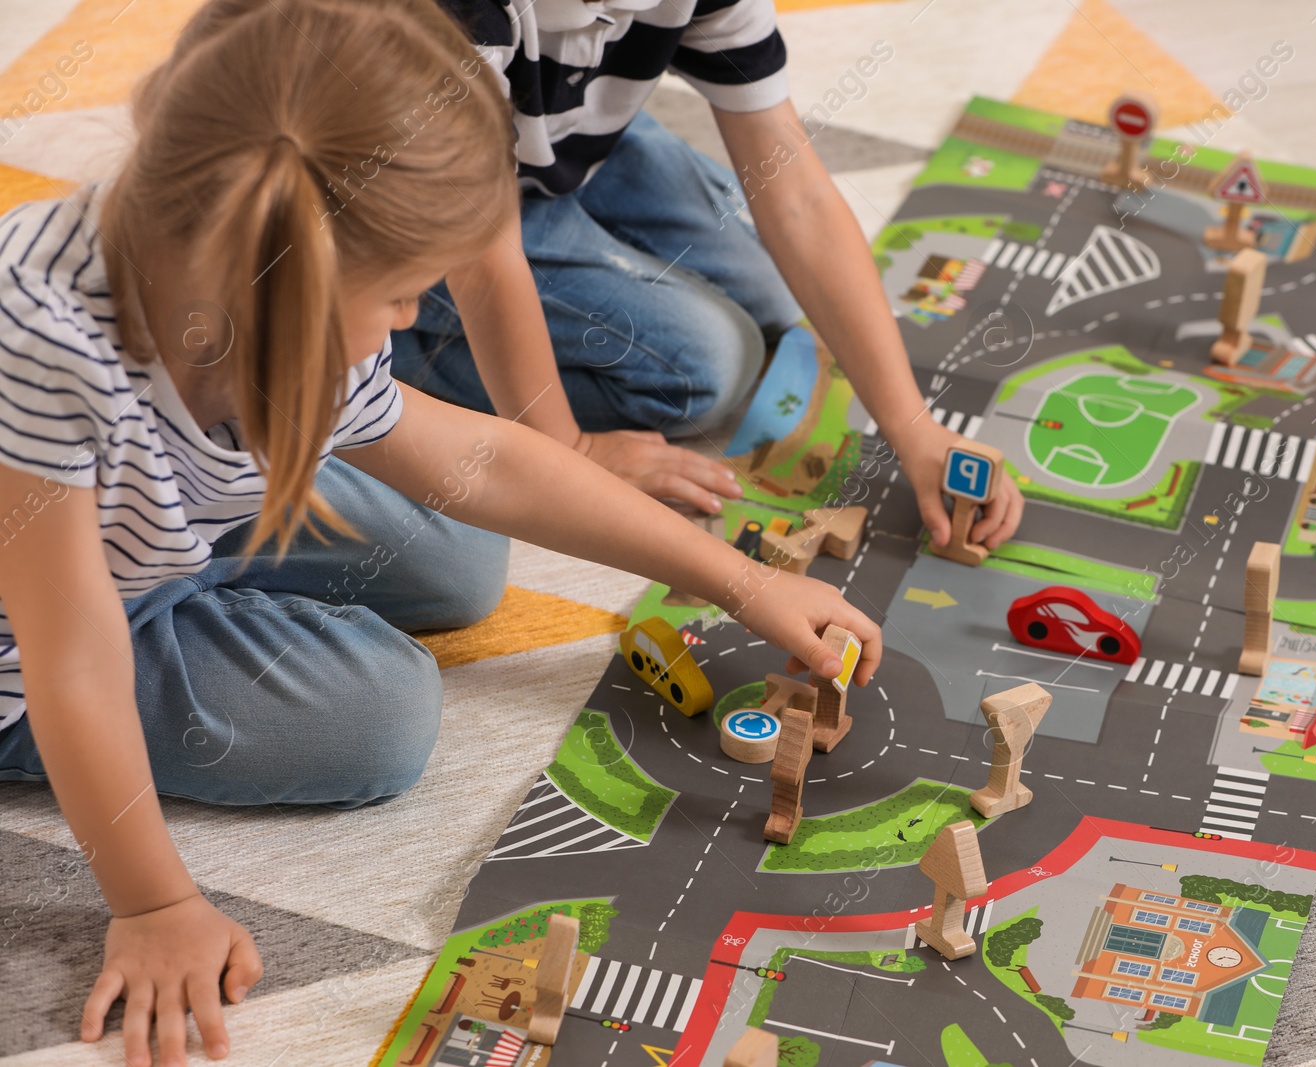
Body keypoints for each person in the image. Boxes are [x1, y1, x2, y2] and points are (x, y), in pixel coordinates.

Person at [0, 2, 881, 1064]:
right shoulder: (38, 343)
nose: (418, 322)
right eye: (406, 293)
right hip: (32, 641)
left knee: (462, 556)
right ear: (299, 294)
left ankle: (198, 582)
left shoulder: (261, 277)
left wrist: (738, 580)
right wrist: (148, 902)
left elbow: (488, 460)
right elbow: (73, 654)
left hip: (149, 530)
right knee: (381, 717)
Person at [390, 0, 1025, 546]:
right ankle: (382, 345)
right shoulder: (465, 16)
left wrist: (914, 428)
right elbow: (484, 264)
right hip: (428, 204)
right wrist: (570, 452)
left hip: (569, 138)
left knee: (775, 297)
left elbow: (797, 196)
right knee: (704, 368)